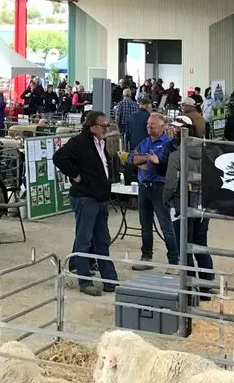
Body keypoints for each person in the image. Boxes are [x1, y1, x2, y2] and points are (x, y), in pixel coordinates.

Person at [52, 111, 119, 297]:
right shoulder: (79, 142)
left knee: (102, 239)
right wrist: (76, 175)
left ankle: (109, 279)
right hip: (85, 197)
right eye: (103, 125)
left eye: (107, 125)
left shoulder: (102, 143)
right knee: (84, 240)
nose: (106, 128)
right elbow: (58, 157)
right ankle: (85, 280)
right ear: (92, 127)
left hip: (100, 197)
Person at [163, 117, 214, 296]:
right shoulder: (207, 152)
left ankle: (189, 288)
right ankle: (207, 286)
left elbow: (170, 183)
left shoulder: (176, 156)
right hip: (203, 205)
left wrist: (166, 200)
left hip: (182, 205)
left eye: (175, 129)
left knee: (185, 246)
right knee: (201, 244)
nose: (173, 132)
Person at [131, 113, 181, 272]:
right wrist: (148, 160)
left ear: (163, 126)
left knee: (166, 225)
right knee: (145, 224)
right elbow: (131, 159)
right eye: (148, 124)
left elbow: (162, 165)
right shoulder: (144, 142)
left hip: (159, 187)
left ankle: (174, 261)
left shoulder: (168, 144)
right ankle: (146, 257)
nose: (149, 126)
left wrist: (144, 160)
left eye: (152, 124)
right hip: (143, 186)